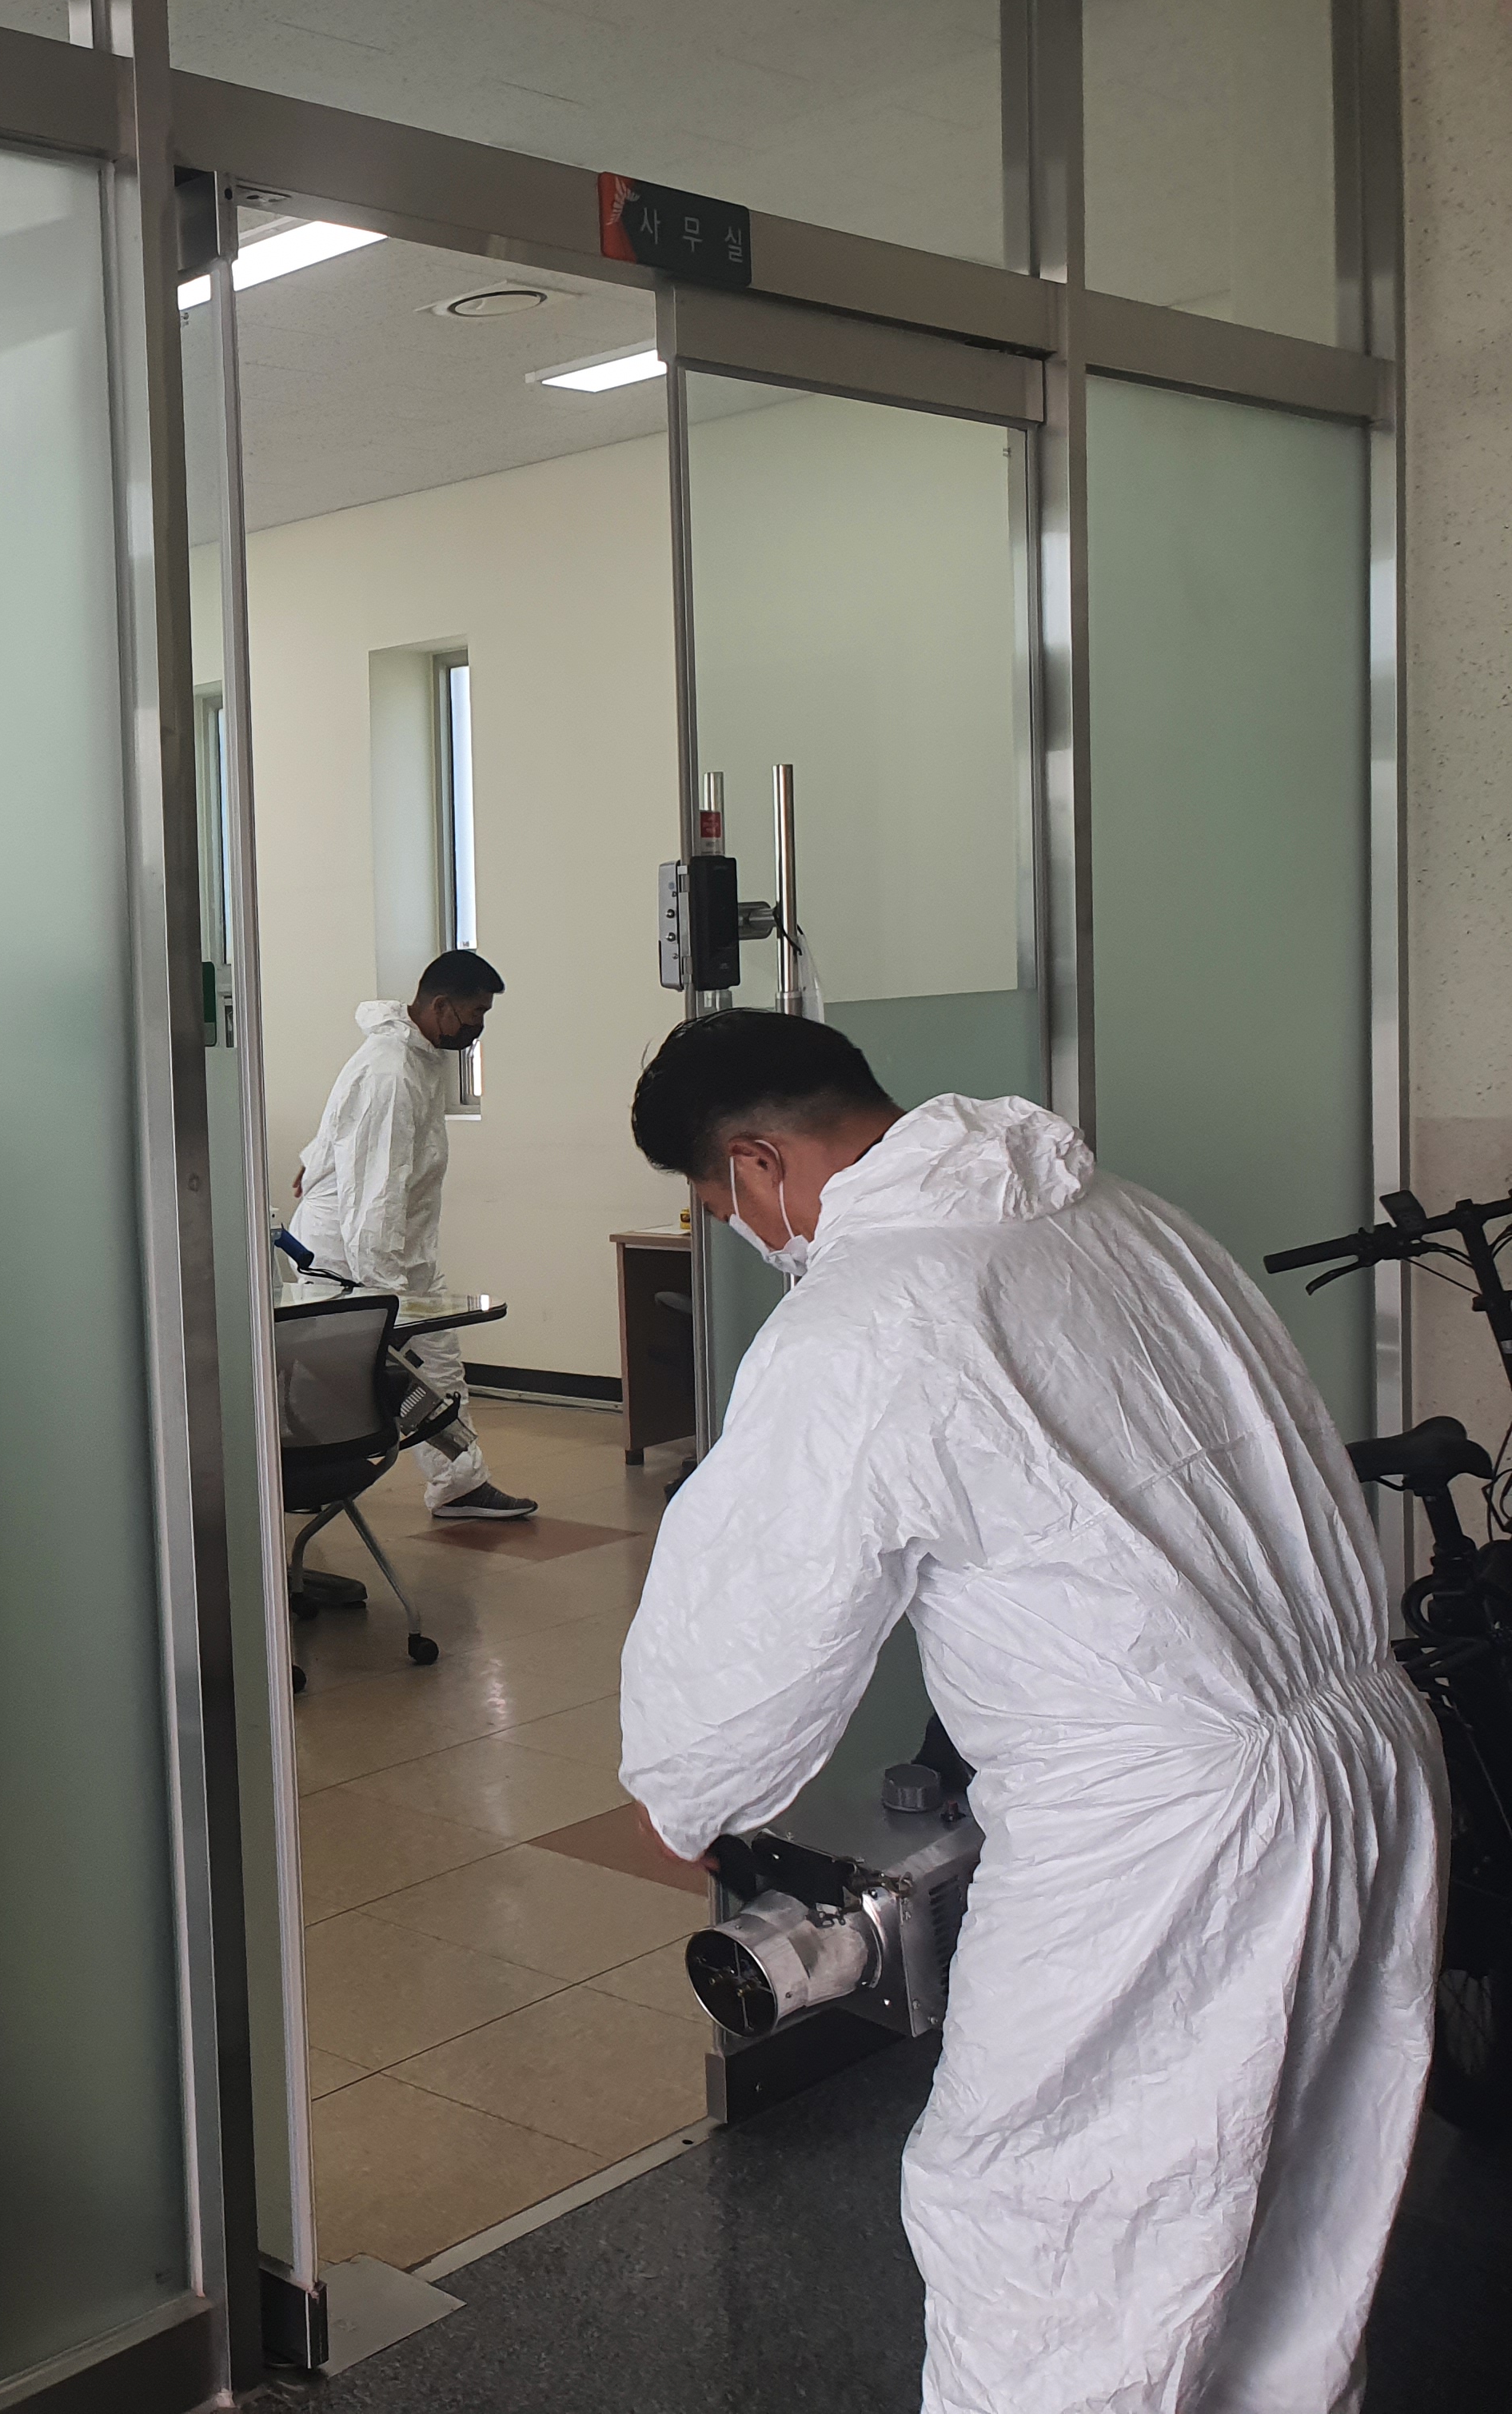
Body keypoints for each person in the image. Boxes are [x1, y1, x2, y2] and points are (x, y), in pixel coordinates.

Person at [616, 1010, 1442, 2414]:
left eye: (719, 1203)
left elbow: (752, 1623)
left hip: (1164, 1838)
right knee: (1294, 2214)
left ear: (756, 1165)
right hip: (1364, 1751)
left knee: (1053, 2230)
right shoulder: (1127, 1218)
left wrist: (685, 1789)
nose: (740, 1232)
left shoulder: (864, 1318)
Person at [285, 949, 535, 1520]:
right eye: (475, 1013)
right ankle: (294, 1481)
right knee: (351, 1380)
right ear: (441, 1006)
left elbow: (346, 1135)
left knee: (439, 1366)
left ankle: (460, 1485)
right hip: (349, 1255)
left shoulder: (418, 1057)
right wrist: (387, 1297)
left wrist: (317, 1159)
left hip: (401, 1247)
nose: (478, 1027)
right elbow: (374, 1195)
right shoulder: (392, 1072)